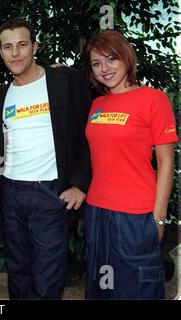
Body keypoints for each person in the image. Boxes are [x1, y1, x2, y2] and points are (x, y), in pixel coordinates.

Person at [0, 18, 92, 299]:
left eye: (22, 45)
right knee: (18, 272)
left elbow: (90, 132)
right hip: (11, 191)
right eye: (8, 47)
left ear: (35, 46)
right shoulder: (0, 97)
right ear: (0, 53)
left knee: (48, 276)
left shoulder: (64, 81)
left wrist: (80, 183)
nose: (16, 53)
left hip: (50, 193)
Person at [83, 30, 178, 299]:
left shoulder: (154, 99)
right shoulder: (97, 105)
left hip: (135, 215)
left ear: (126, 58)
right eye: (96, 63)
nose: (105, 69)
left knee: (136, 290)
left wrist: (159, 217)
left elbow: (166, 161)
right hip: (96, 212)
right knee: (101, 290)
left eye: (111, 59)